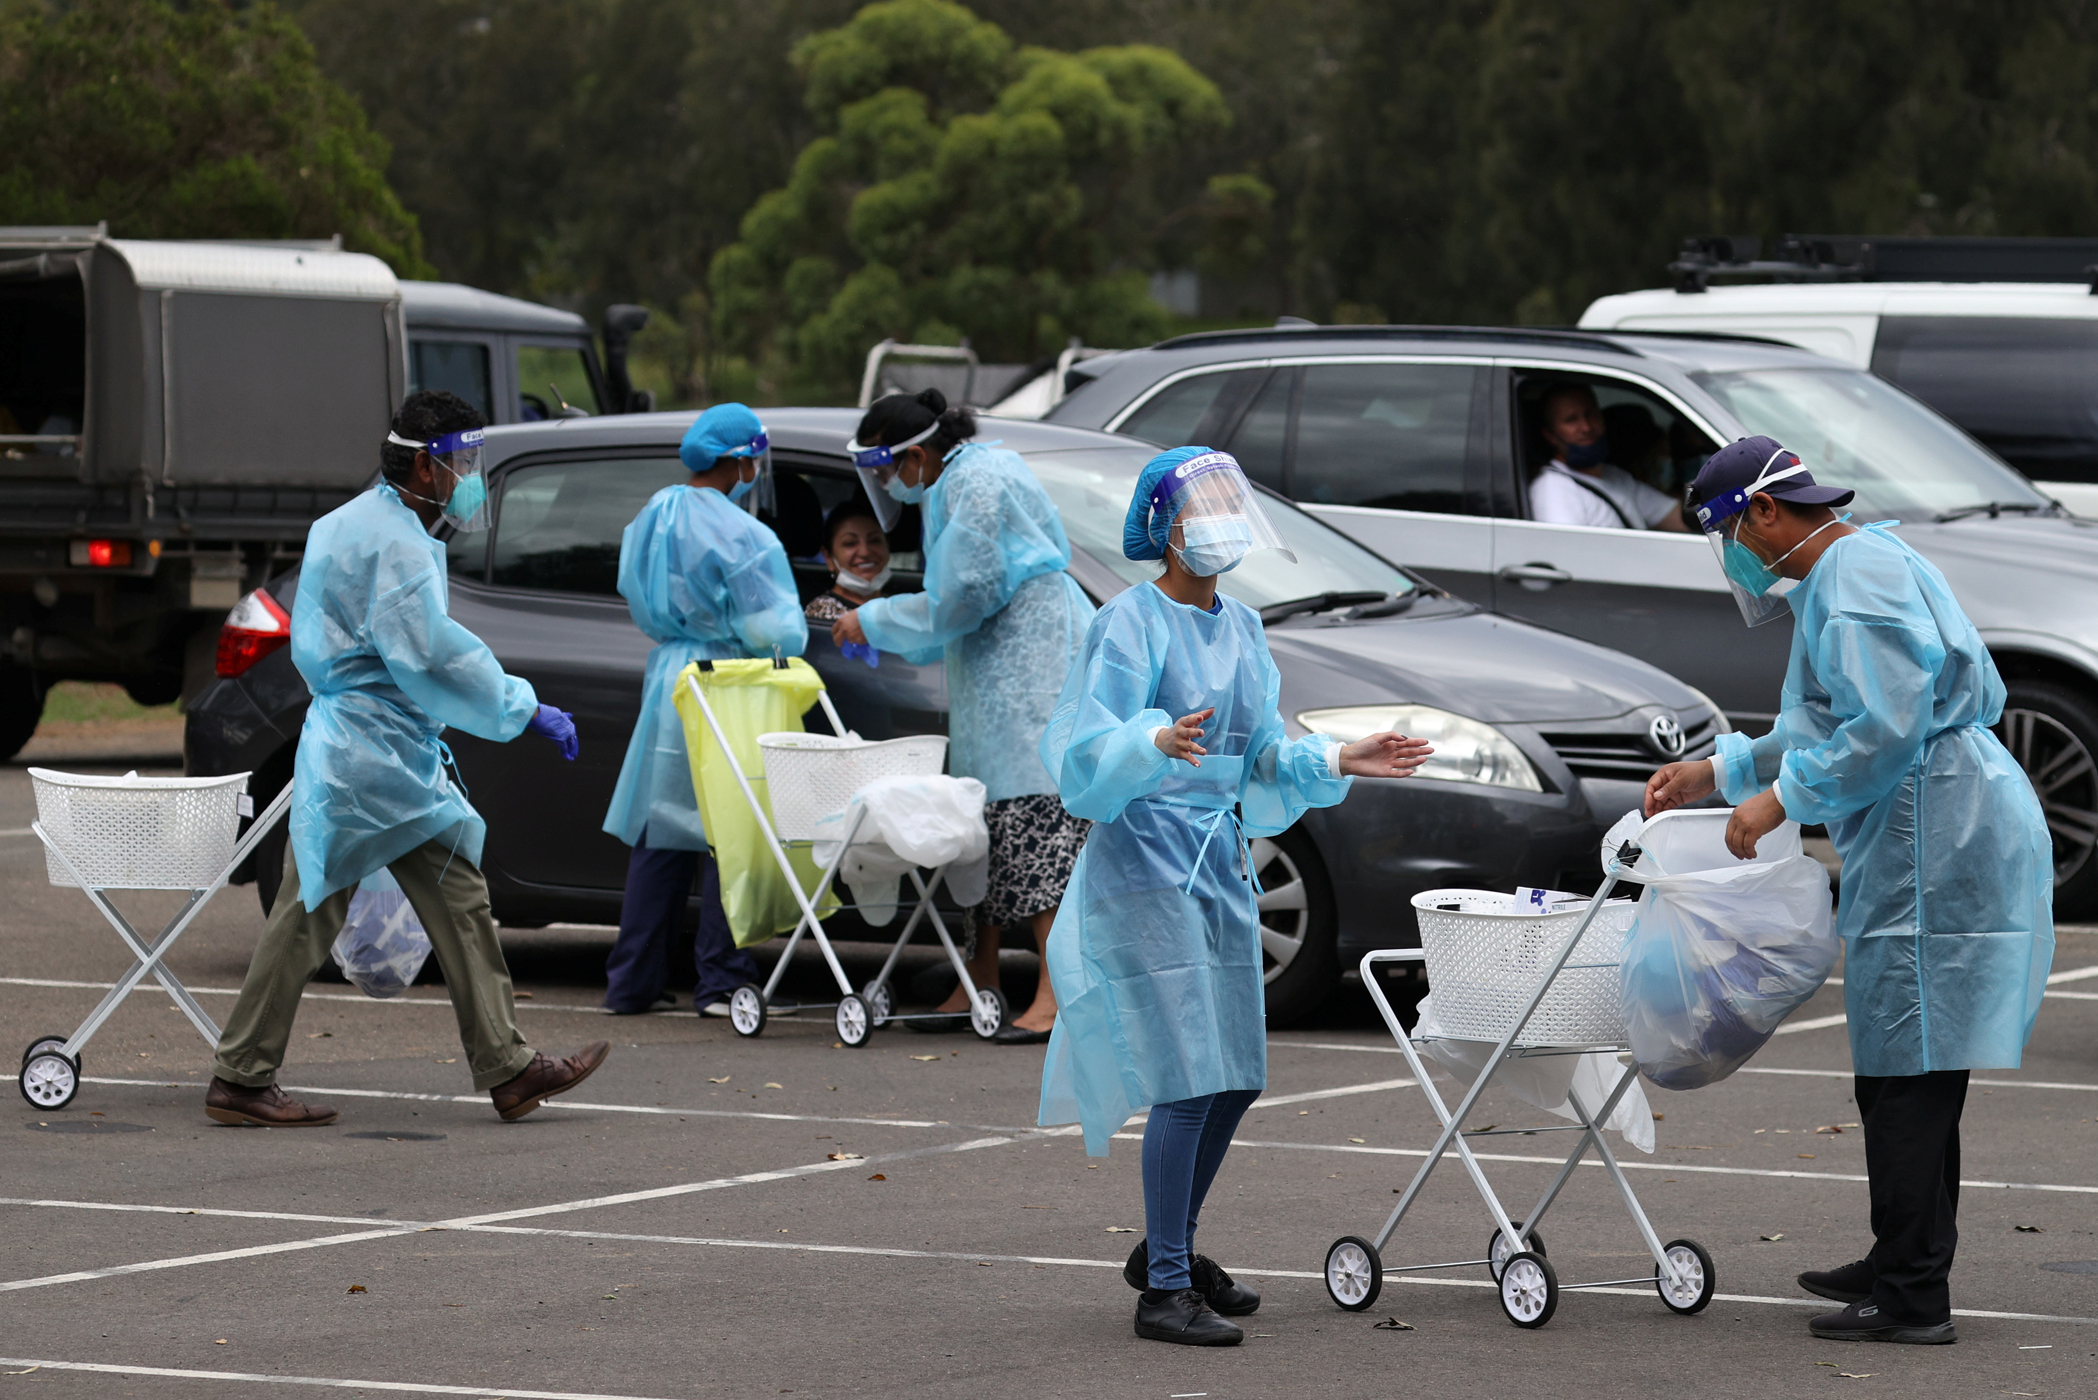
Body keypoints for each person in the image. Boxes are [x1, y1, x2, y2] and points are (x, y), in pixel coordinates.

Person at [1645, 436, 2053, 1345]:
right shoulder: (1850, 566)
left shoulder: (1853, 578)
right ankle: (1902, 1257)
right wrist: (1720, 768)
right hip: (1929, 820)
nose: (1738, 561)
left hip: (1932, 829)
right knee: (1905, 1068)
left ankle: (1912, 1292)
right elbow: (1820, 717)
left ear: (1763, 512)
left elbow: (1883, 726)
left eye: (1729, 537)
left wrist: (1777, 800)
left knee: (1908, 1073)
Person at [1037, 445, 1434, 1345]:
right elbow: (1085, 760)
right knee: (1186, 1076)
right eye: (1203, 505)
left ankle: (1165, 1248)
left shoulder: (1242, 628)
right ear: (1164, 528)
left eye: (1230, 503)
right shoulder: (1128, 622)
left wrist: (1340, 756)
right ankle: (1165, 1288)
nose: (1221, 521)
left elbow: (1260, 760)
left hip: (1217, 863)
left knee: (1236, 1077)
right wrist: (1151, 743)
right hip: (1144, 864)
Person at [206, 390, 607, 1127]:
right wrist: (523, 708)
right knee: (317, 911)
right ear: (425, 466)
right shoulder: (398, 542)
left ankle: (507, 1065)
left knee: (437, 899)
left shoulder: (351, 523)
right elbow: (431, 653)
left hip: (360, 747)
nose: (469, 476)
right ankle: (242, 1074)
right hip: (377, 756)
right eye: (460, 461)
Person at [832, 390, 1094, 1044]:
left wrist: (873, 617)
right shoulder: (969, 473)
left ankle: (1056, 999)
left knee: (1036, 832)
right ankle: (977, 980)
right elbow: (960, 603)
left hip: (1030, 674)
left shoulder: (973, 484)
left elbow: (962, 597)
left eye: (888, 470)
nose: (889, 485)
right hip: (1000, 674)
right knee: (986, 830)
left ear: (915, 455)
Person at [602, 403, 809, 1017]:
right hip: (727, 681)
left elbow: (632, 592)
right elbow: (778, 632)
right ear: (743, 459)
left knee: (659, 833)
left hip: (669, 673)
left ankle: (632, 983)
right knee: (731, 828)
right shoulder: (745, 534)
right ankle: (722, 981)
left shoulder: (651, 514)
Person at [1528, 382, 1689, 531]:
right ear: (1550, 435)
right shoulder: (1554, 489)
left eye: (1590, 414)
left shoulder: (1614, 476)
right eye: (1571, 420)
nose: (1586, 427)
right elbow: (1568, 555)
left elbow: (1679, 519)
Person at [804, 495, 899, 624]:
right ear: (828, 557)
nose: (865, 552)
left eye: (874, 540)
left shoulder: (899, 608)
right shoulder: (820, 616)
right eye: (850, 543)